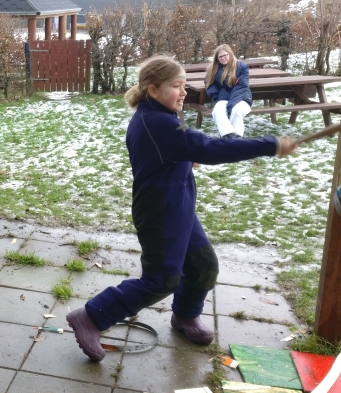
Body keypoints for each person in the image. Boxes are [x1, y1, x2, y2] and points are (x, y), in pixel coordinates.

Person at [66, 55, 296, 362]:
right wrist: (270, 145)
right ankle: (90, 317)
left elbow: (170, 152)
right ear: (153, 89)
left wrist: (184, 158)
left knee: (203, 265)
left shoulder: (158, 115)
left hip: (179, 205)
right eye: (176, 85)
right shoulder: (158, 123)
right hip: (160, 212)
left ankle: (185, 315)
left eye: (184, 85)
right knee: (161, 280)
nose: (184, 92)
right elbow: (210, 148)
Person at [204, 44, 252, 138]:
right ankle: (228, 136)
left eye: (225, 55)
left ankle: (237, 137)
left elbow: (242, 86)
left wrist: (231, 105)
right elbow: (209, 83)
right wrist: (215, 95)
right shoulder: (213, 68)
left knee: (236, 111)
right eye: (220, 56)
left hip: (242, 97)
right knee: (217, 111)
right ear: (217, 58)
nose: (223, 58)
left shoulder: (242, 67)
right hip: (222, 97)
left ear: (230, 54)